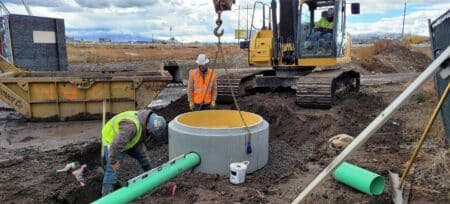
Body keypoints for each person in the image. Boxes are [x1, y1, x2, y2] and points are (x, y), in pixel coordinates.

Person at [101, 109, 166, 196]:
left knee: (145, 160)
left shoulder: (147, 120)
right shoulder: (131, 127)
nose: (150, 132)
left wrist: (142, 145)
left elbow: (143, 134)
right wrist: (113, 161)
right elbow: (116, 145)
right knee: (112, 170)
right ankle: (107, 197)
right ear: (148, 124)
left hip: (131, 140)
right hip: (113, 141)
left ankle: (154, 180)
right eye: (151, 130)